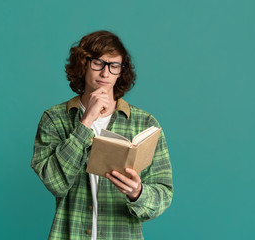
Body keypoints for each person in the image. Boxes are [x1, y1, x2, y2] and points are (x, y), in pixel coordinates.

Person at [31, 30, 173, 240]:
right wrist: (86, 122)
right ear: (83, 64)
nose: (106, 73)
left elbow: (163, 193)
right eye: (98, 63)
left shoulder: (145, 124)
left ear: (120, 71)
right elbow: (55, 182)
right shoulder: (55, 119)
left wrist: (137, 193)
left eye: (114, 65)